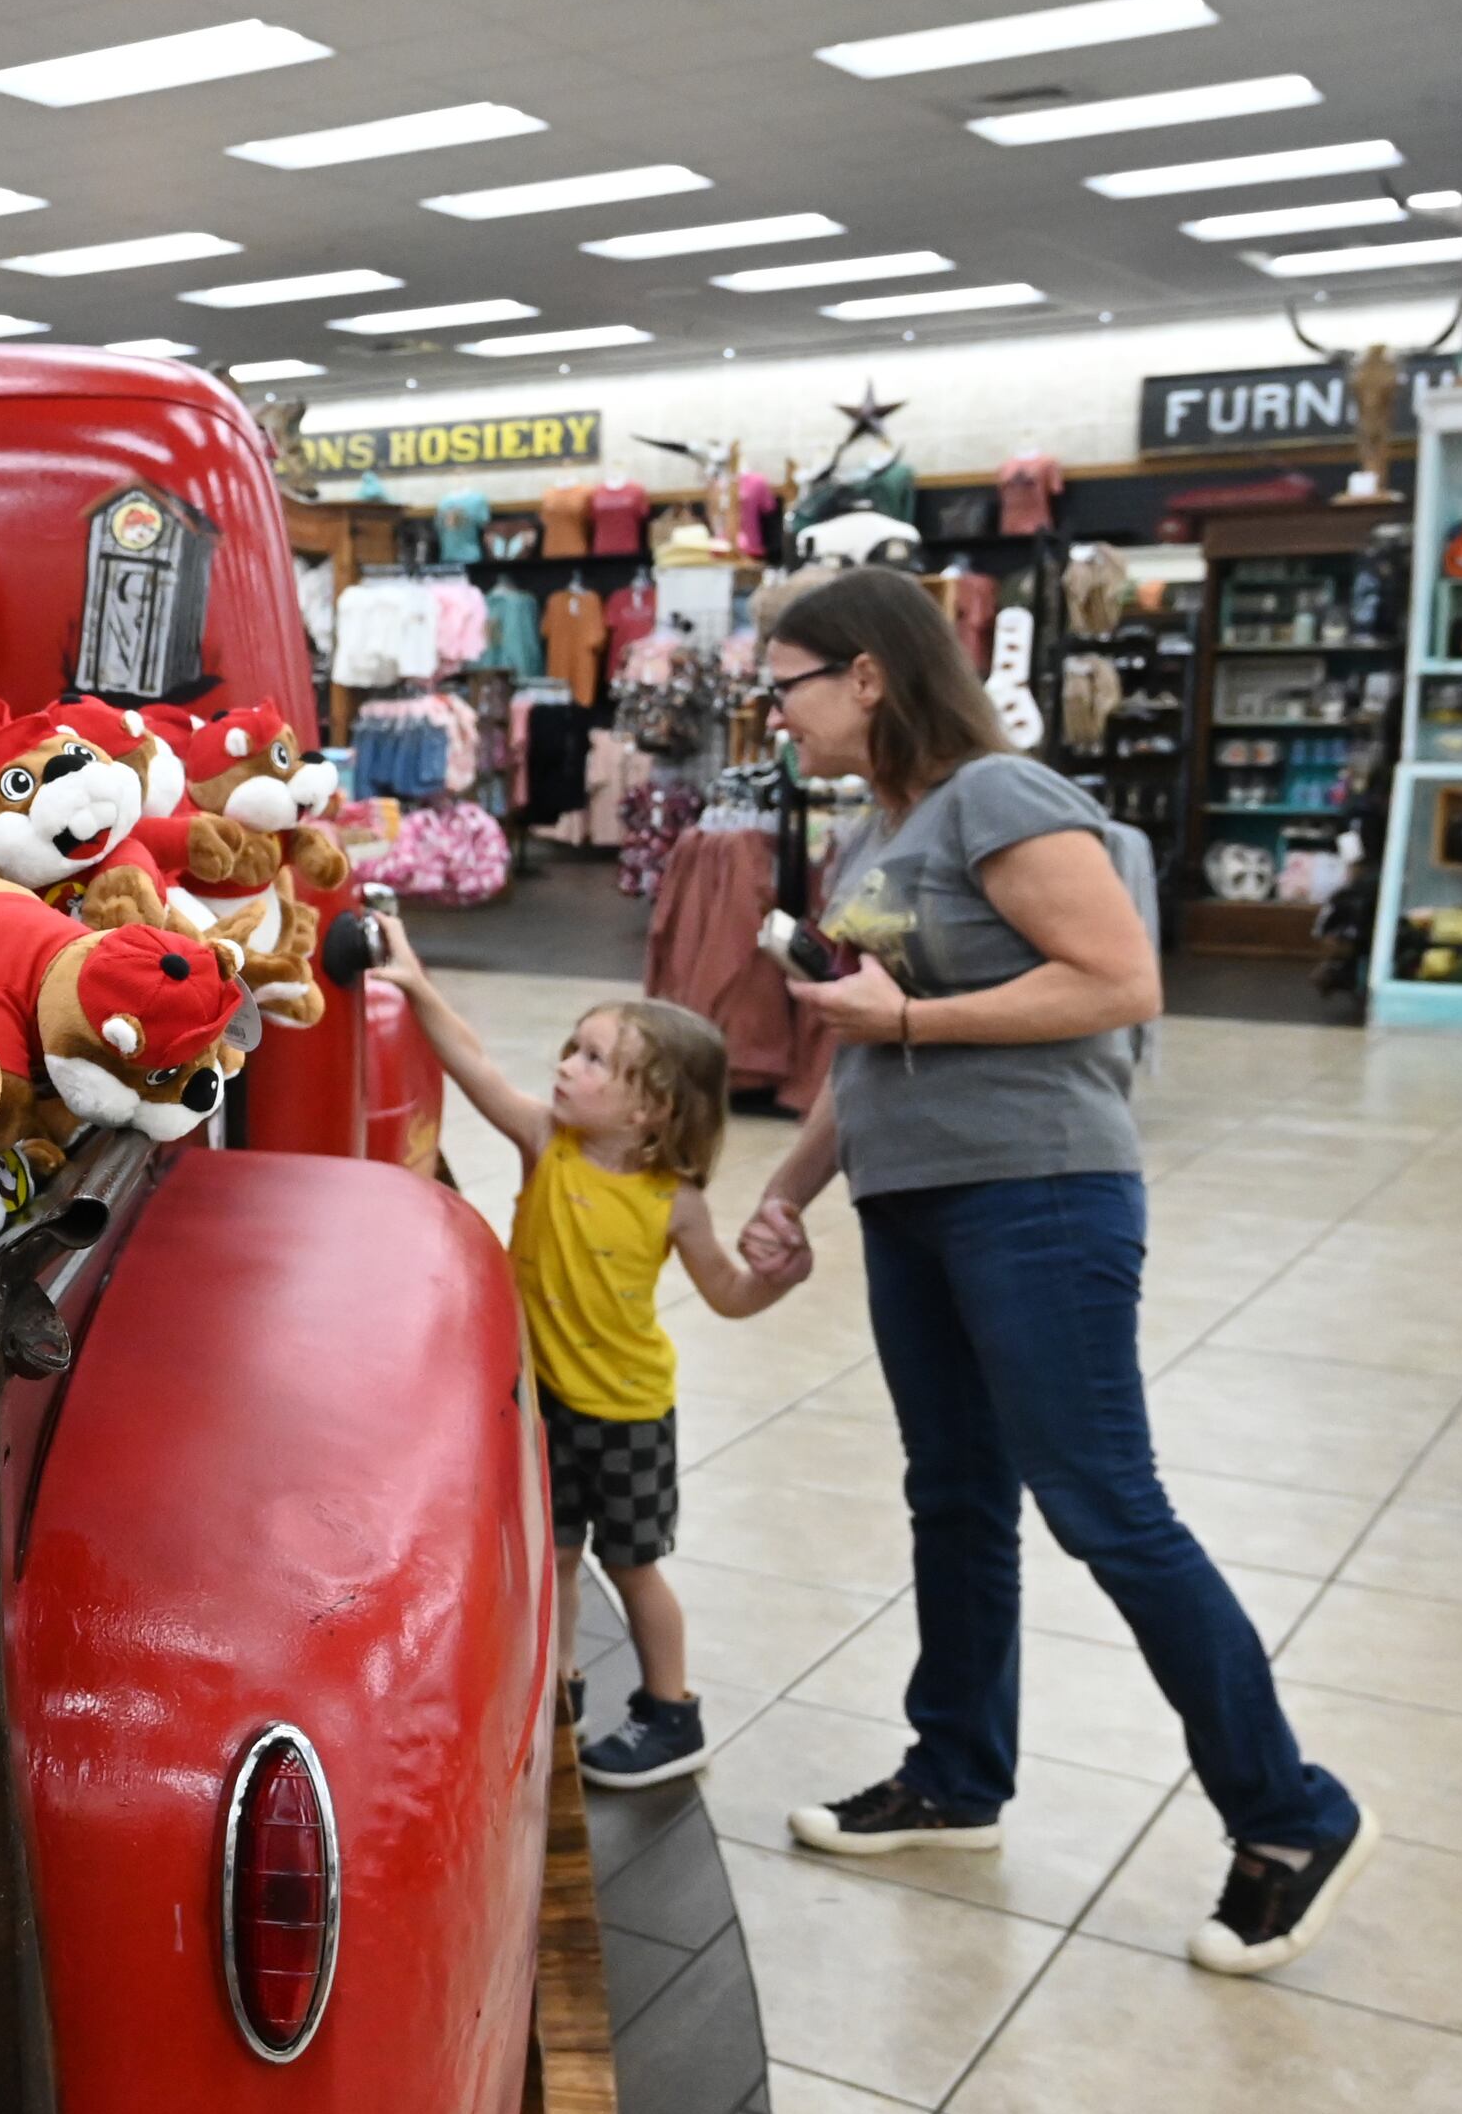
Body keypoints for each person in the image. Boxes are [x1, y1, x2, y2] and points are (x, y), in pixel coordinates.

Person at [740, 566, 1369, 1975]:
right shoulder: (883, 834)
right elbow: (874, 1037)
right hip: (918, 1205)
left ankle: (1289, 1812)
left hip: (1038, 1196)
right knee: (956, 1498)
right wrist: (786, 1191)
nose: (772, 716)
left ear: (865, 676)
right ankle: (956, 1774)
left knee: (1104, 1506)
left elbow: (1117, 980)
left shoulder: (999, 796)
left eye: (784, 684)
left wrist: (913, 1012)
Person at [378, 921, 806, 1786]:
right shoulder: (547, 1143)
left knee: (634, 1566)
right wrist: (417, 985)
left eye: (596, 1059)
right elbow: (474, 1066)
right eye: (573, 1048)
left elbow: (727, 1292)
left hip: (631, 1413)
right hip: (546, 1401)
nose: (566, 1064)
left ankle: (671, 1710)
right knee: (559, 1553)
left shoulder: (671, 1199)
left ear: (652, 1107)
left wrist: (780, 1280)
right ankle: (558, 1686)